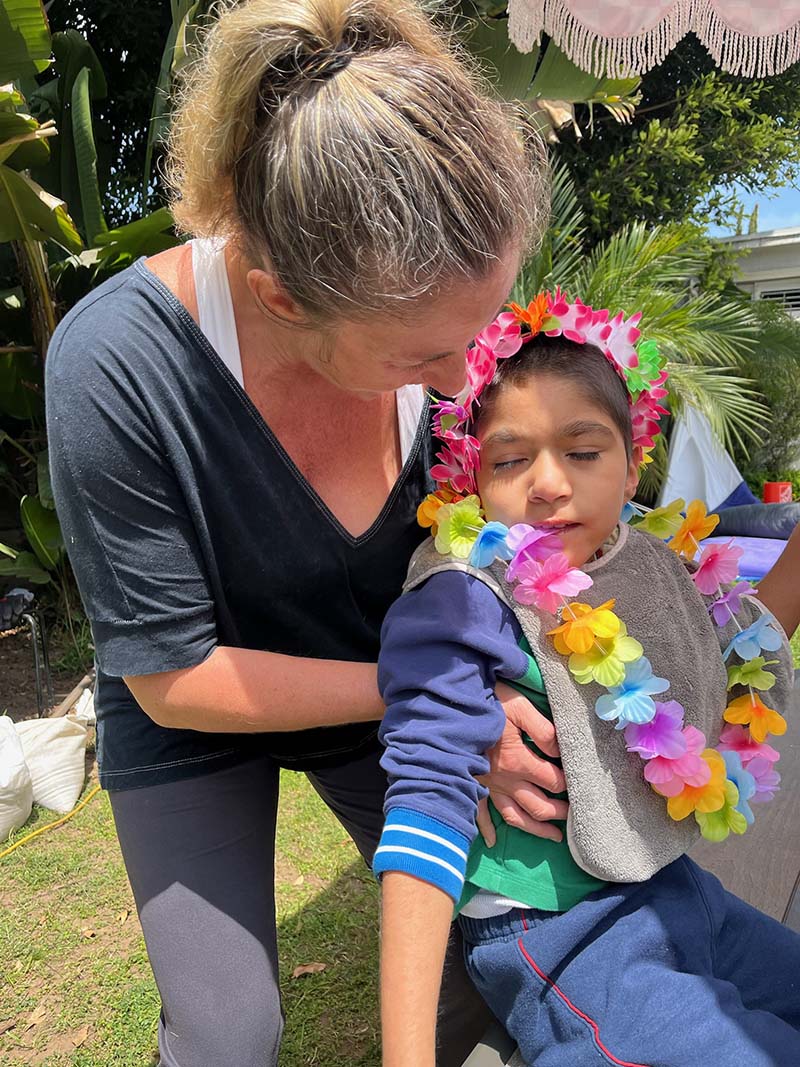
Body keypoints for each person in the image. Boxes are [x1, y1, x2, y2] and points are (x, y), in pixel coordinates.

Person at [44, 2, 557, 1064]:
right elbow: (172, 679)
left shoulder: (434, 316)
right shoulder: (115, 366)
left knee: (494, 950)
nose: (464, 380)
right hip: (201, 698)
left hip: (385, 669)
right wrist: (430, 688)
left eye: (474, 333)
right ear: (279, 298)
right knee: (228, 1035)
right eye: (418, 358)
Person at [376, 295, 800, 1067]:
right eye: (510, 460)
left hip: (676, 890)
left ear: (632, 466)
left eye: (582, 450)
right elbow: (424, 806)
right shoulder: (461, 598)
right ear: (472, 479)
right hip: (560, 938)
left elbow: (736, 647)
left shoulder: (645, 561)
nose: (547, 482)